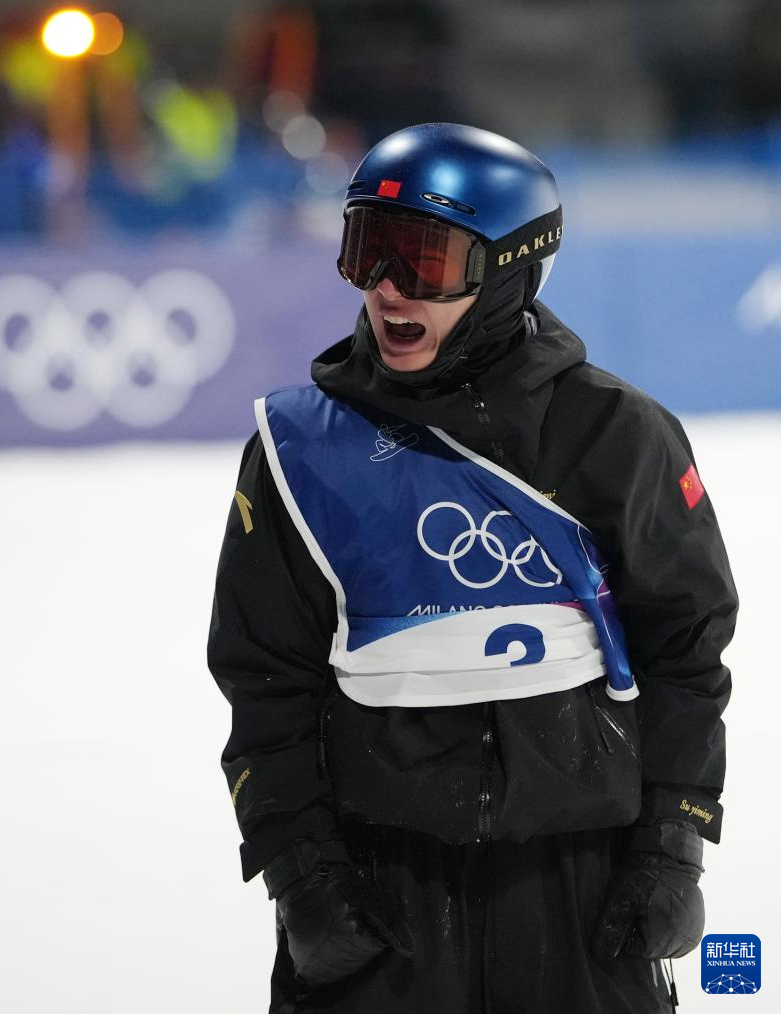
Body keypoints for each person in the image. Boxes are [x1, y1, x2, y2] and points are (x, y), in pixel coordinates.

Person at [207, 123, 737, 1014]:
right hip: (377, 895)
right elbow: (264, 679)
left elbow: (686, 651)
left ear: (509, 271)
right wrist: (301, 872)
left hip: (585, 894)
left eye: (424, 260)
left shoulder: (616, 435)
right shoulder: (299, 451)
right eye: (367, 250)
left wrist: (674, 843)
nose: (386, 286)